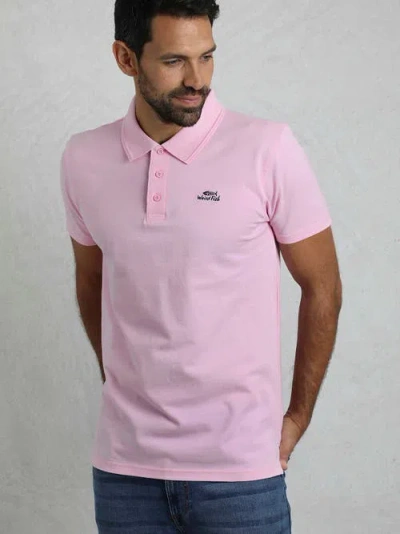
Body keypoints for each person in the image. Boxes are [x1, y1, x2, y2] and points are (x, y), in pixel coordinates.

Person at [59, 1, 342, 532]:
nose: (197, 80)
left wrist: (297, 417)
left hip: (241, 475)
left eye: (206, 57)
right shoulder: (83, 158)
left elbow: (322, 284)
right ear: (126, 58)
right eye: (174, 61)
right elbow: (92, 279)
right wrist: (120, 378)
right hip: (125, 475)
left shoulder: (267, 148)